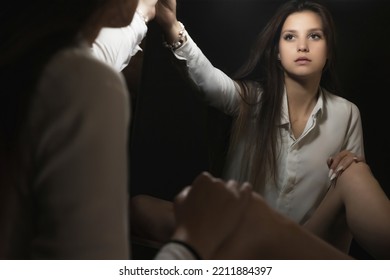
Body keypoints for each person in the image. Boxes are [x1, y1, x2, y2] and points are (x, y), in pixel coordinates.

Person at [0, 0, 254, 260]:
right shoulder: (82, 79)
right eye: (289, 36)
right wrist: (194, 244)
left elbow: (94, 55)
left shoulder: (36, 58)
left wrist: (143, 14)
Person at [117, 0, 368, 254]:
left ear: (328, 51)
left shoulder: (346, 114)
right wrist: (171, 26)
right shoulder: (252, 99)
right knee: (141, 208)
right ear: (278, 53)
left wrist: (351, 167)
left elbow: (351, 204)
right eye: (290, 37)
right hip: (237, 234)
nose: (302, 46)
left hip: (299, 247)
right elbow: (210, 83)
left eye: (314, 36)